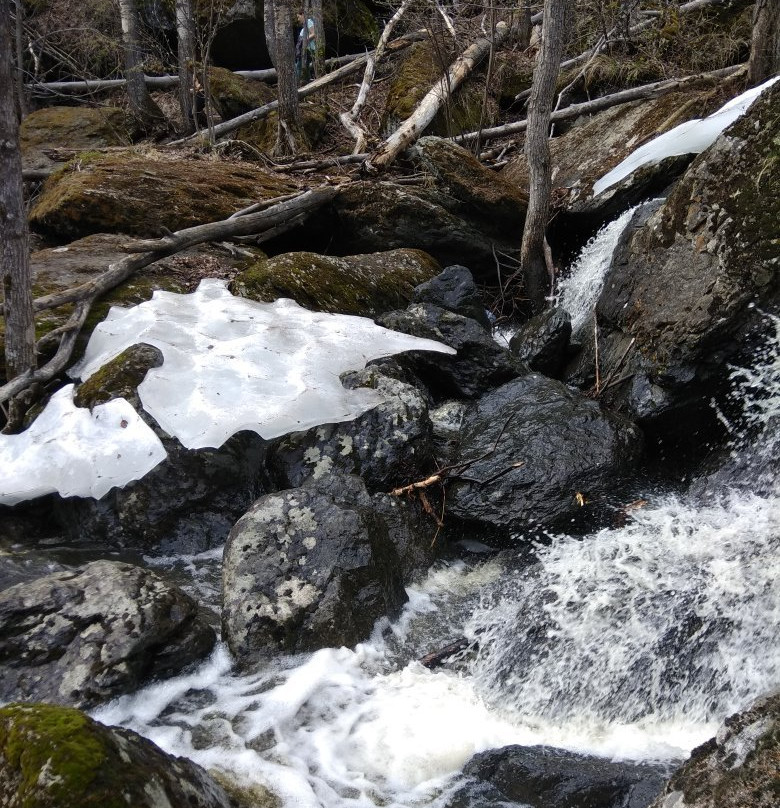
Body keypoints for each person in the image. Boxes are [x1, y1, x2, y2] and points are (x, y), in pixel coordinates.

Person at [295, 11, 316, 83]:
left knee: (299, 66)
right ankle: (307, 82)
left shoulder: (309, 22)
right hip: (304, 48)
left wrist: (305, 40)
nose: (298, 19)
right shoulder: (305, 25)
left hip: (308, 49)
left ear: (303, 15)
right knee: (305, 67)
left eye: (298, 17)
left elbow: (314, 33)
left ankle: (297, 84)